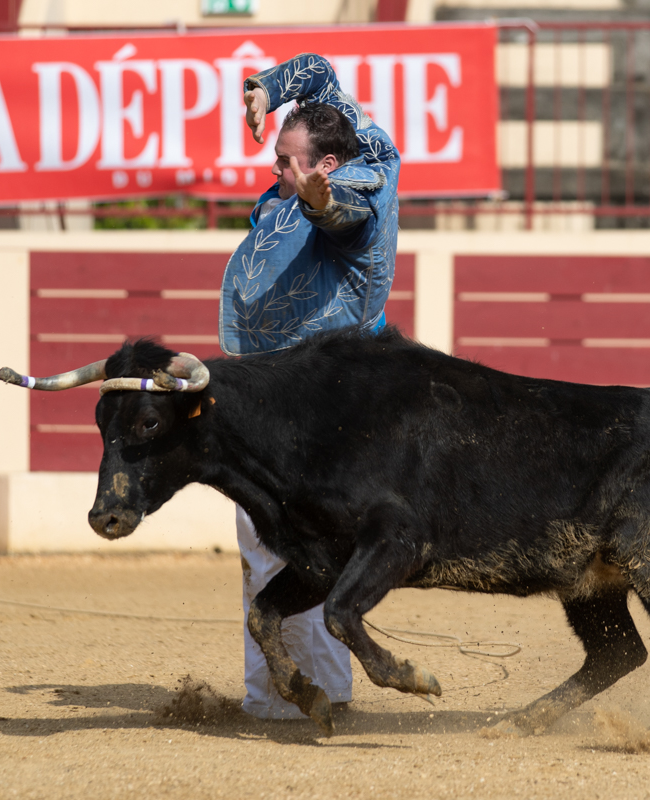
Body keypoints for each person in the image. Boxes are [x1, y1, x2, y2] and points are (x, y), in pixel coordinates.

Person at [218, 53, 401, 719]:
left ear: (327, 165)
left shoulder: (355, 192)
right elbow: (318, 70)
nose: (277, 170)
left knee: (281, 547)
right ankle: (281, 693)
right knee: (270, 545)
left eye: (289, 163)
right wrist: (264, 92)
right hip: (291, 388)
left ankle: (301, 699)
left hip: (310, 406)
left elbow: (342, 214)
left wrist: (318, 198)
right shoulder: (352, 128)